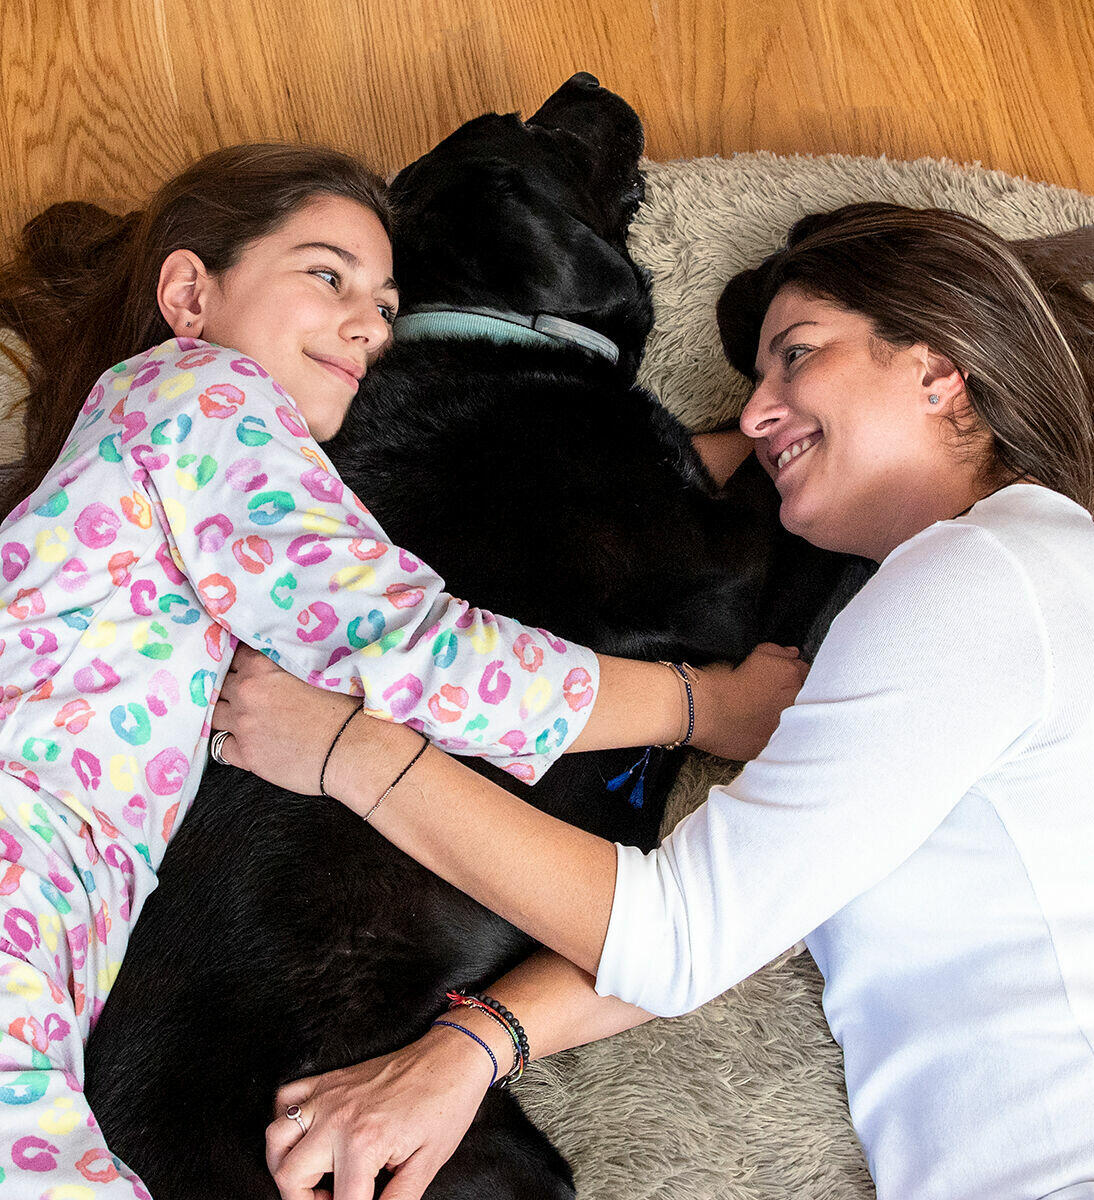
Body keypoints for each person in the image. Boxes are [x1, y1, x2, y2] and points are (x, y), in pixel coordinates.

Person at [216, 203, 1094, 1200]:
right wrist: (471, 1047)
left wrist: (350, 751)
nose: (763, 413)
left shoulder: (984, 581)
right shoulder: (1016, 582)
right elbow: (746, 901)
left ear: (937, 369)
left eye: (797, 357)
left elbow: (682, 934)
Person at [0, 143, 802, 1197]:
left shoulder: (161, 427)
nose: (371, 323)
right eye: (328, 275)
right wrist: (699, 705)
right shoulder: (204, 395)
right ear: (191, 294)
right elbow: (412, 651)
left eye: (386, 298)